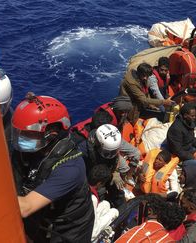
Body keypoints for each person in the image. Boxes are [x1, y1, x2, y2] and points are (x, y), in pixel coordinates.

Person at [12, 92, 94, 242]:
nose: (21, 139)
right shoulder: (36, 150)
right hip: (45, 219)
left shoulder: (70, 169)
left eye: (27, 134)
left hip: (69, 231)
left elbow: (25, 207)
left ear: (51, 134)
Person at [88, 164, 119, 242]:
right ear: (99, 183)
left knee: (106, 204)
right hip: (87, 235)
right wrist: (114, 213)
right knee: (114, 211)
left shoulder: (83, 185)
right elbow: (93, 233)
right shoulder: (93, 199)